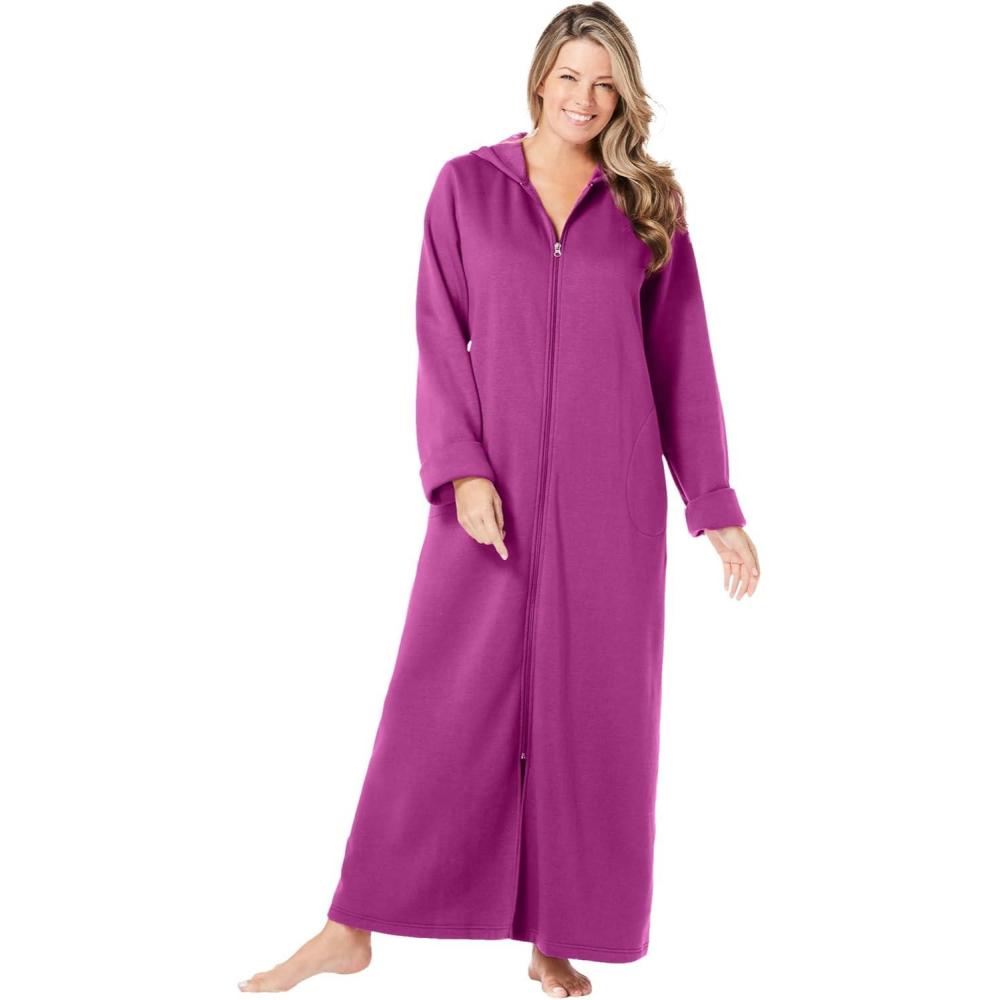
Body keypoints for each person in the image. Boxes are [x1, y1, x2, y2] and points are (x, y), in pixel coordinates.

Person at [238, 3, 760, 996]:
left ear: (624, 96)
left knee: (591, 718)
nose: (583, 99)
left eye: (603, 83)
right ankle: (350, 925)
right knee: (437, 705)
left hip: (610, 505)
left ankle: (555, 934)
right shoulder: (467, 187)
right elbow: (439, 333)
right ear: (539, 77)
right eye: (569, 77)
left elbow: (681, 360)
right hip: (492, 494)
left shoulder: (646, 205)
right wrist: (462, 467)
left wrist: (715, 502)